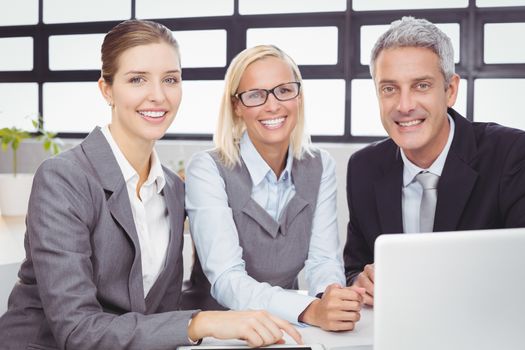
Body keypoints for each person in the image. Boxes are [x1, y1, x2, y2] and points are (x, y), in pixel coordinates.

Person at [0, 20, 302, 349]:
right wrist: (200, 322)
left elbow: (163, 311)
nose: (158, 96)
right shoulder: (63, 178)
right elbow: (77, 330)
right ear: (106, 90)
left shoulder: (172, 189)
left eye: (170, 79)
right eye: (137, 79)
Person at [344, 16, 525, 306]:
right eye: (389, 88)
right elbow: (355, 266)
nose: (404, 106)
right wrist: (360, 281)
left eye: (421, 86)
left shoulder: (511, 154)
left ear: (450, 90)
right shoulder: (363, 168)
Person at [184, 45, 364, 332]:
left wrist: (329, 298)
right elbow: (227, 279)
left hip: (289, 325)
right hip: (217, 330)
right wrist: (310, 309)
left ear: (298, 97)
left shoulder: (320, 165)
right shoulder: (207, 168)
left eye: (284, 90)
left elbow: (324, 260)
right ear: (237, 106)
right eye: (255, 95)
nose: (273, 105)